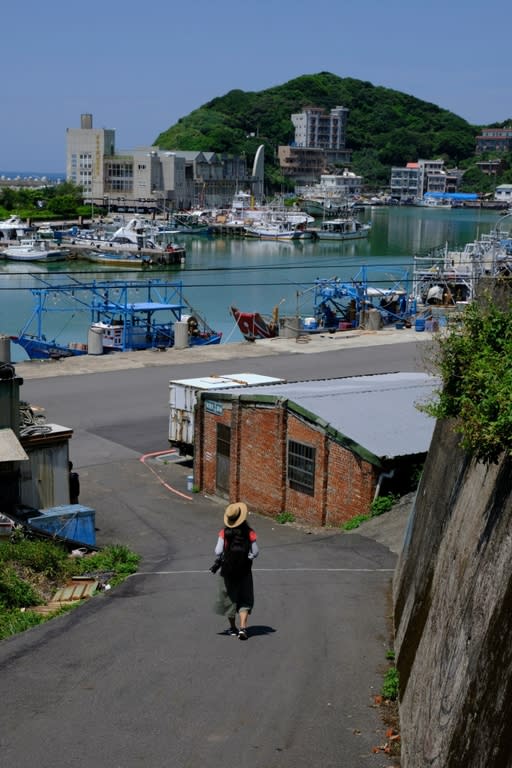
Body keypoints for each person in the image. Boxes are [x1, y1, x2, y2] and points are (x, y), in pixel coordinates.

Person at [212, 501, 258, 640]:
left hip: (228, 571)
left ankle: (233, 628)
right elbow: (255, 552)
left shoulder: (224, 532)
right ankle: (243, 628)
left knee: (229, 599)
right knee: (245, 599)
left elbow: (217, 551)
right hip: (244, 571)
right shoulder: (249, 532)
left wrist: (224, 556)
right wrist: (248, 556)